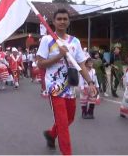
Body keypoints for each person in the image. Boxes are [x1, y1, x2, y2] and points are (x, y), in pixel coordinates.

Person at [36, 8, 97, 155]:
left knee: (69, 119)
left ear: (68, 21)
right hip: (54, 88)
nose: (62, 21)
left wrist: (90, 82)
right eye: (59, 19)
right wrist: (59, 56)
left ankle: (51, 135)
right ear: (54, 22)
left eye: (65, 19)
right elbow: (40, 63)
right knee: (63, 123)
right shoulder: (47, 40)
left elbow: (81, 64)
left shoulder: (74, 41)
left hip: (70, 87)